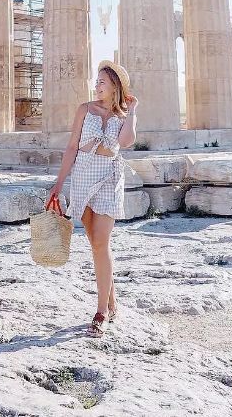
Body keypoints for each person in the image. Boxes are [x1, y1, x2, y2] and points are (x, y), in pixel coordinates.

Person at [47, 59, 138, 337]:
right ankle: (111, 302)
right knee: (95, 244)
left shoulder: (123, 115)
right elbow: (72, 147)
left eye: (102, 82)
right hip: (83, 176)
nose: (97, 86)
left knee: (101, 241)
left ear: (115, 87)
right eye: (96, 81)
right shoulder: (85, 109)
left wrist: (133, 110)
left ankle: (101, 313)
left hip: (109, 177)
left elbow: (126, 142)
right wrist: (59, 183)